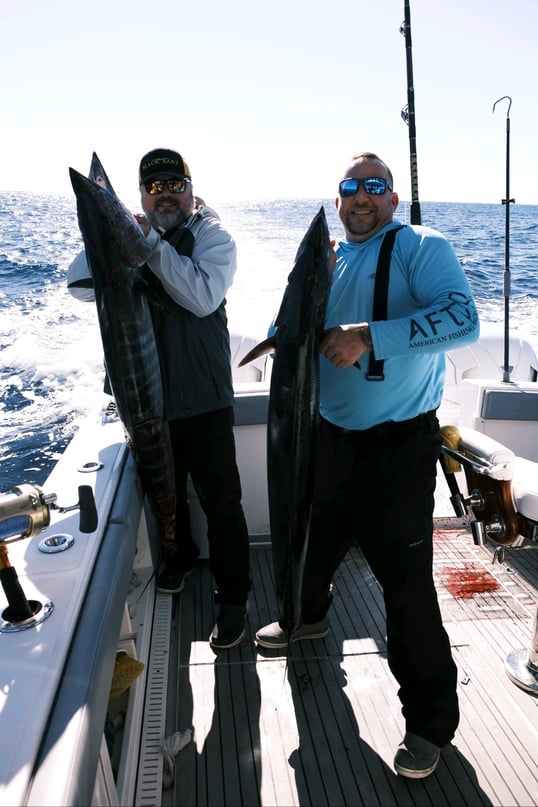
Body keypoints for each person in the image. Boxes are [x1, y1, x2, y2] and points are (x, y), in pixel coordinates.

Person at [256, 152, 480, 777]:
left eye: (374, 187)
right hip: (327, 439)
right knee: (310, 546)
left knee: (406, 591)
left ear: (393, 198)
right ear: (337, 199)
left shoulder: (419, 245)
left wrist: (371, 335)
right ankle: (304, 620)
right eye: (350, 187)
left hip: (398, 450)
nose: (361, 197)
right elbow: (286, 328)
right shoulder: (331, 257)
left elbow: (464, 318)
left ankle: (431, 724)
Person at [68, 148, 251, 650]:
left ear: (191, 190)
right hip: (145, 403)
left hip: (205, 400)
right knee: (163, 493)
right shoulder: (131, 236)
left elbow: (201, 296)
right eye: (154, 187)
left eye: (175, 185)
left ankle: (234, 597)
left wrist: (145, 242)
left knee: (222, 503)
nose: (165, 194)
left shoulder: (213, 237)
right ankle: (181, 558)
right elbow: (77, 284)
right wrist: (112, 231)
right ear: (142, 196)